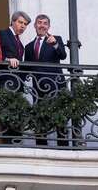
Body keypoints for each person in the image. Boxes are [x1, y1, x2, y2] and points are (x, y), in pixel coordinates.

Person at [24, 14, 68, 146]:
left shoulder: (56, 39)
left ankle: (64, 150)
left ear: (48, 26)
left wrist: (55, 44)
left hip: (56, 85)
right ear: (35, 26)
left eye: (45, 23)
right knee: (39, 119)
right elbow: (26, 68)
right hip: (38, 89)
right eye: (39, 23)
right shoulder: (29, 46)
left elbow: (63, 55)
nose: (42, 25)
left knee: (60, 119)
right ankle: (41, 148)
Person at [0, 10, 30, 144]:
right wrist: (6, 59)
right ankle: (8, 146)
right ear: (13, 21)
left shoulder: (20, 43)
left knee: (16, 117)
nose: (23, 26)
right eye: (20, 22)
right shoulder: (2, 34)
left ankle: (15, 144)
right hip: (4, 83)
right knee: (6, 117)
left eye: (25, 24)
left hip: (16, 85)